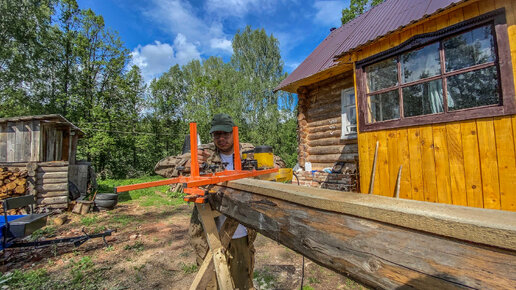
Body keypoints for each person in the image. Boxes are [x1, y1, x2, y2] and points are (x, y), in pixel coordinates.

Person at [154, 113, 285, 289]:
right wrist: (188, 163)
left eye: (226, 134)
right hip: (209, 231)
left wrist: (266, 166)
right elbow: (160, 166)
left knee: (242, 281)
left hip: (241, 229)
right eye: (217, 135)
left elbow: (279, 163)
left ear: (234, 133)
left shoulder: (247, 150)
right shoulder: (204, 151)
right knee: (211, 283)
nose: (221, 139)